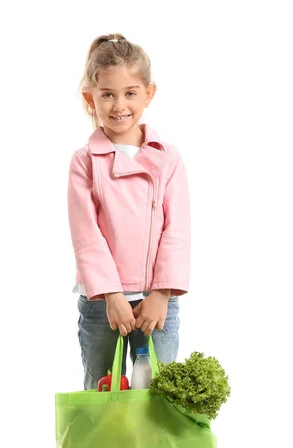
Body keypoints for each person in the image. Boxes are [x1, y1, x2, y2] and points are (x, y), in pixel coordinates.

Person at [68, 33, 191, 390]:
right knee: (101, 392)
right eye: (107, 94)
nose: (119, 105)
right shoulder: (84, 162)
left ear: (148, 94)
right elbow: (87, 236)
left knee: (159, 395)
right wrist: (112, 296)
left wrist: (162, 294)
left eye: (130, 93)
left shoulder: (168, 159)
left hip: (157, 302)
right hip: (103, 302)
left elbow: (177, 231)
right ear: (91, 99)